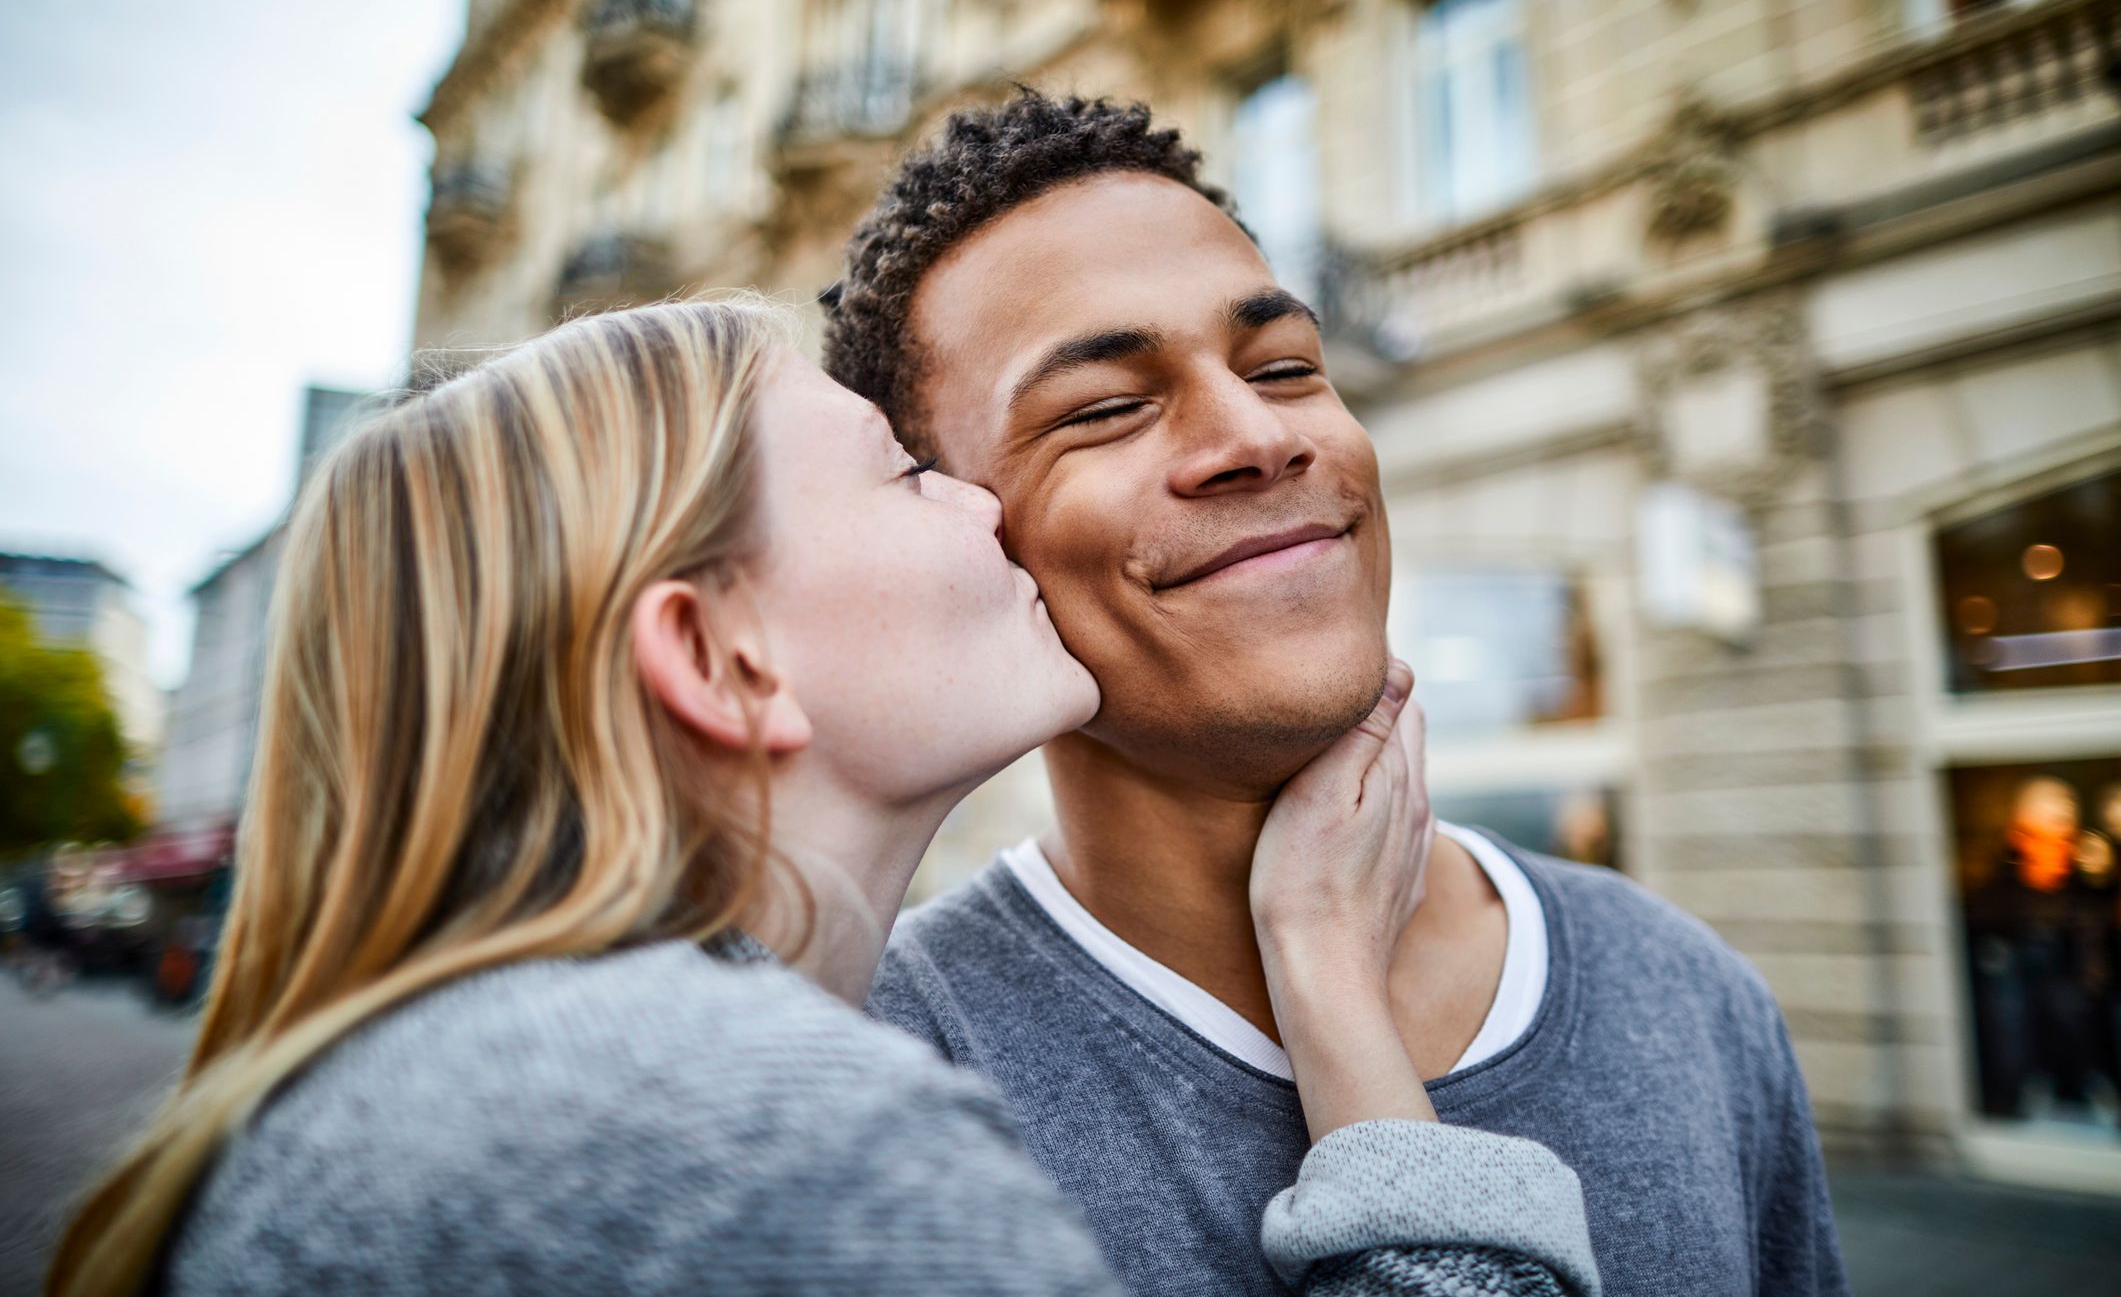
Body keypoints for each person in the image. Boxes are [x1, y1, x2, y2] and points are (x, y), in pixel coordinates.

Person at [49, 299, 1600, 1297]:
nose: (987, 499)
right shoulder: (752, 1146)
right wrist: (1338, 995)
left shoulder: (467, 1072)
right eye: (903, 472)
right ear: (722, 656)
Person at [825, 92, 1850, 1297]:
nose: (1256, 432)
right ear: (958, 539)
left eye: (1288, 366)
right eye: (1105, 408)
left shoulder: (1681, 984)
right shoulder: (870, 1075)